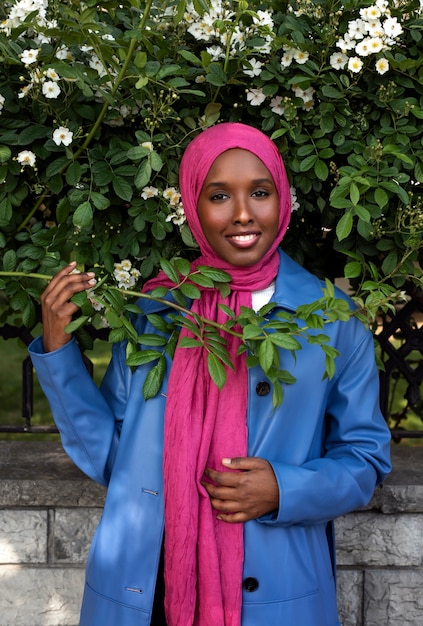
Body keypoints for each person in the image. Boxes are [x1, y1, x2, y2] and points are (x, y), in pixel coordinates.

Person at [29, 122, 391, 626]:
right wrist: (57, 349)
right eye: (219, 195)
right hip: (149, 592)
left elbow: (365, 459)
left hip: (276, 596)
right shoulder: (156, 310)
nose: (243, 213)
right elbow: (113, 458)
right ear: (194, 209)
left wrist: (284, 489)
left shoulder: (331, 320)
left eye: (259, 193)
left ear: (281, 199)